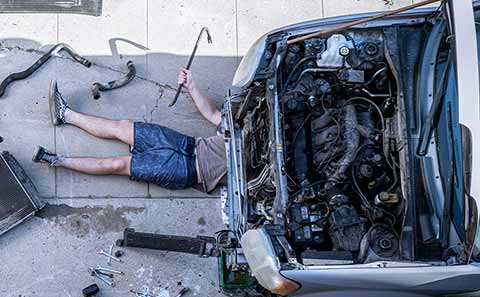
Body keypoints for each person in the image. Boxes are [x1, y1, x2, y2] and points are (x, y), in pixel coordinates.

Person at [32, 68, 226, 192]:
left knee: (117, 165)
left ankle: (56, 161)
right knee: (122, 127)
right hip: (186, 143)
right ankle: (65, 114)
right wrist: (191, 86)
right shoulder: (245, 130)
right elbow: (213, 114)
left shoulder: (255, 174)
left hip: (186, 170)